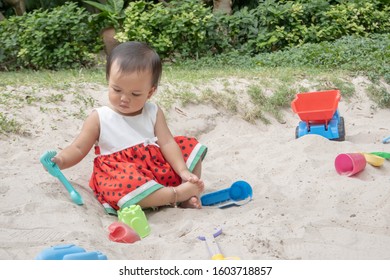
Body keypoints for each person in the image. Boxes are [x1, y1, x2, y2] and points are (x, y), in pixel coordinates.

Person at [50, 41, 207, 215]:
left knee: (189, 147)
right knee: (124, 185)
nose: (124, 98)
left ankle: (185, 194)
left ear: (150, 92)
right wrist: (61, 160)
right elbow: (78, 148)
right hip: (123, 173)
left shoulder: (153, 112)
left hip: (155, 168)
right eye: (117, 90)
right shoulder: (100, 117)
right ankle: (175, 194)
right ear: (108, 81)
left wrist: (183, 171)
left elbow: (168, 143)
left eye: (135, 94)